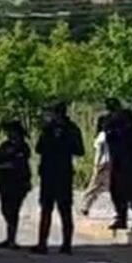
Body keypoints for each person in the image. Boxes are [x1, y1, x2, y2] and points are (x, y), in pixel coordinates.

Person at [33, 102, 84, 254]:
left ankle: (60, 244)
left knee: (59, 209)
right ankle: (49, 243)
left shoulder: (63, 129)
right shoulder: (56, 129)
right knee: (53, 209)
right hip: (55, 173)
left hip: (58, 172)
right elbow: (39, 148)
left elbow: (79, 150)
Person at [101, 97, 132, 233]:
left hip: (131, 159)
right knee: (117, 191)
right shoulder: (109, 121)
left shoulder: (131, 117)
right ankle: (122, 217)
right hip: (118, 159)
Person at [0, 120, 32, 249]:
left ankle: (12, 239)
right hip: (4, 182)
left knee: (13, 210)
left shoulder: (23, 147)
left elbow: (18, 164)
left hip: (18, 183)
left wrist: (5, 166)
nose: (9, 134)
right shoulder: (4, 146)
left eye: (11, 131)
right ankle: (8, 238)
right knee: (5, 210)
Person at [77, 116, 111, 218]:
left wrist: (96, 165)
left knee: (94, 185)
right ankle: (86, 206)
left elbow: (99, 152)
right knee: (102, 186)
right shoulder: (109, 135)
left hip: (102, 163)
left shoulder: (102, 135)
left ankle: (85, 206)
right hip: (109, 162)